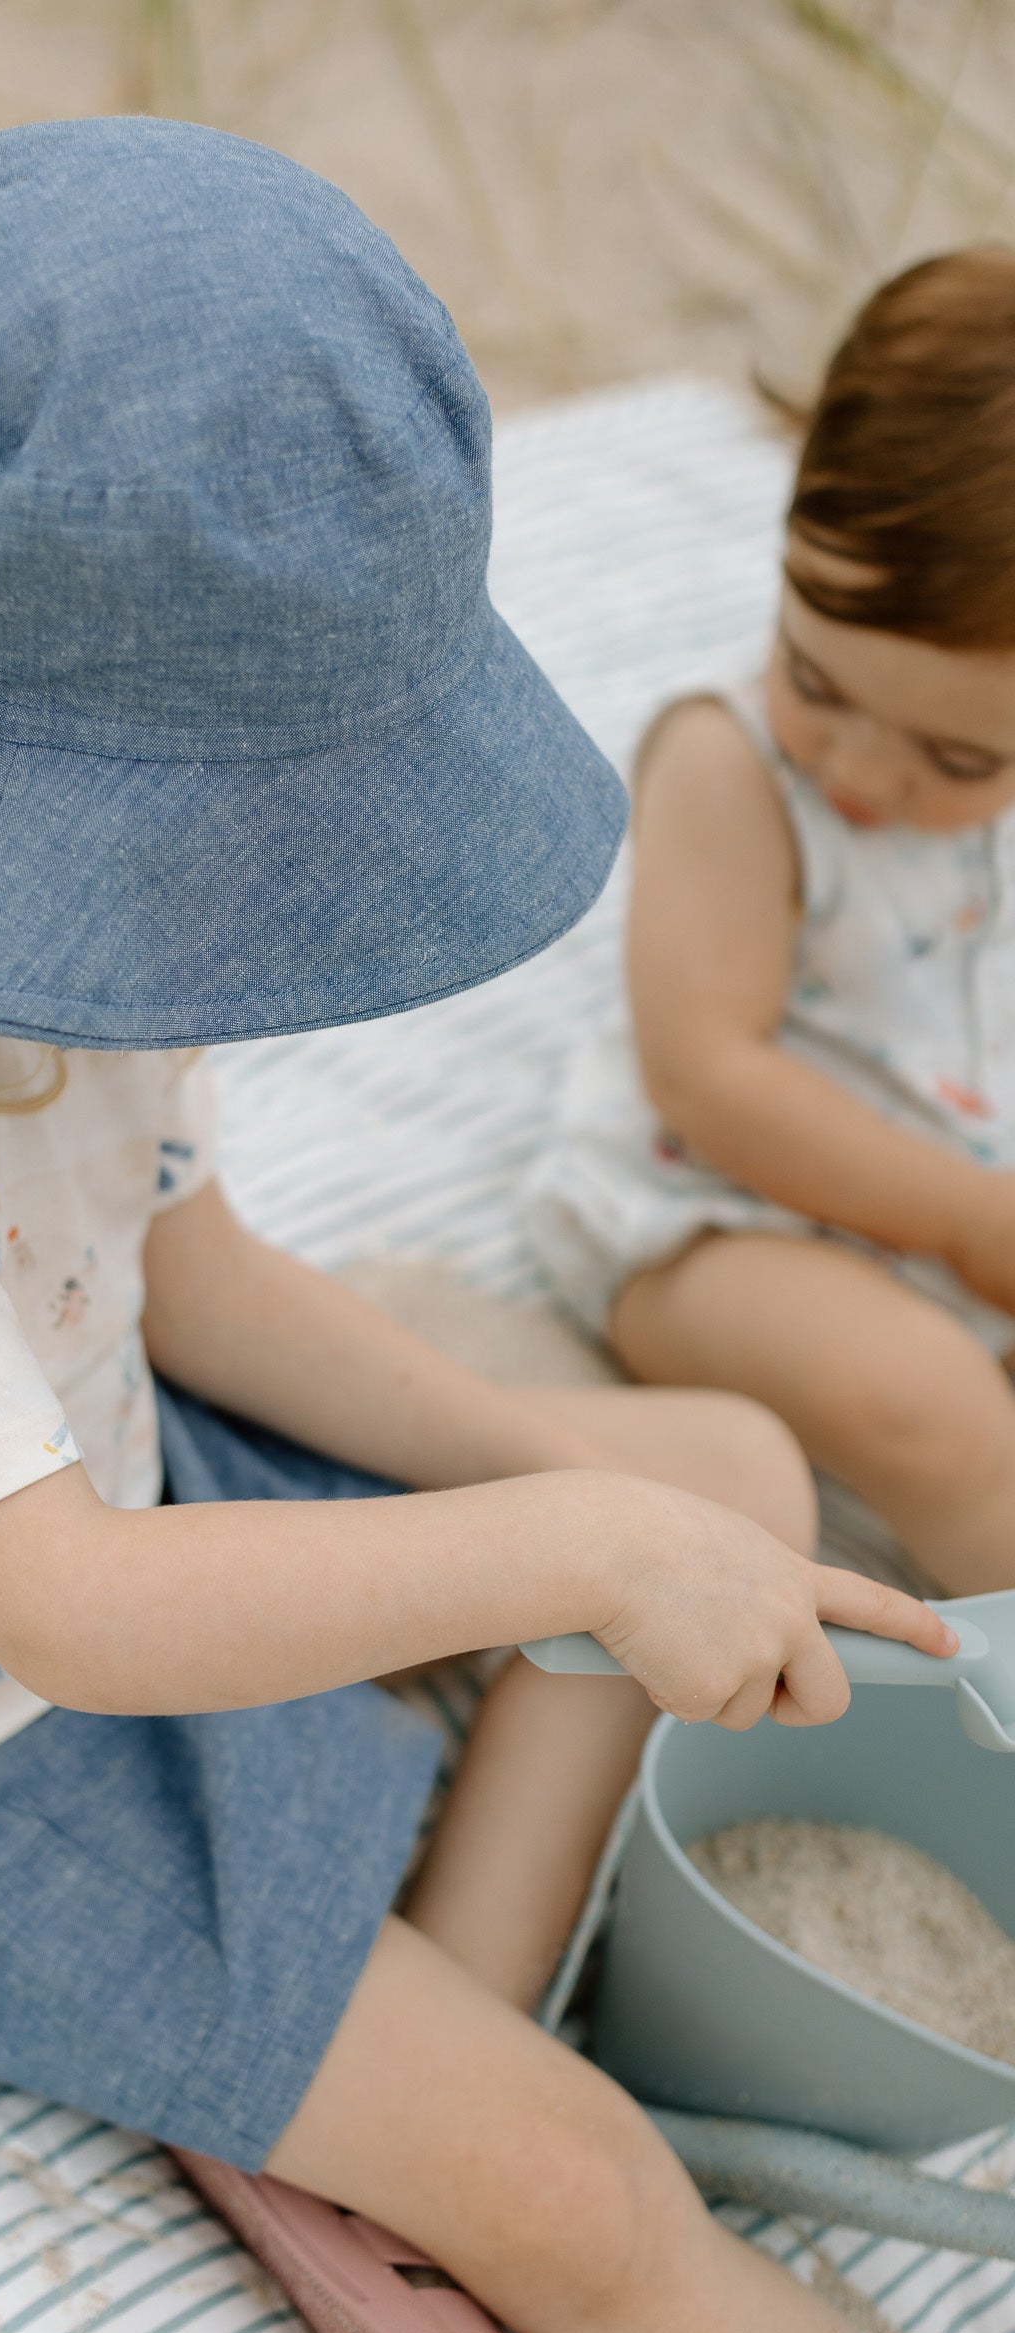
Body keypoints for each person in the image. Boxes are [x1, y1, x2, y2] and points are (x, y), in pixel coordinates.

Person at [0, 120, 945, 2333]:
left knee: (729, 1469)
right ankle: (403, 2113)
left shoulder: (45, 918)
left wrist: (590, 1498)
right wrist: (559, 1541)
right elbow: (67, 1616)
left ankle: (385, 2074)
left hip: (121, 1467)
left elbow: (197, 1287)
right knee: (585, 2208)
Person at [529, 248, 1015, 1605]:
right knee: (933, 1407)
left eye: (957, 762)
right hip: (714, 1218)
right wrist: (976, 1223)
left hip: (957, 1181)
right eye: (817, 675)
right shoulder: (733, 768)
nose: (858, 769)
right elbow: (711, 1077)